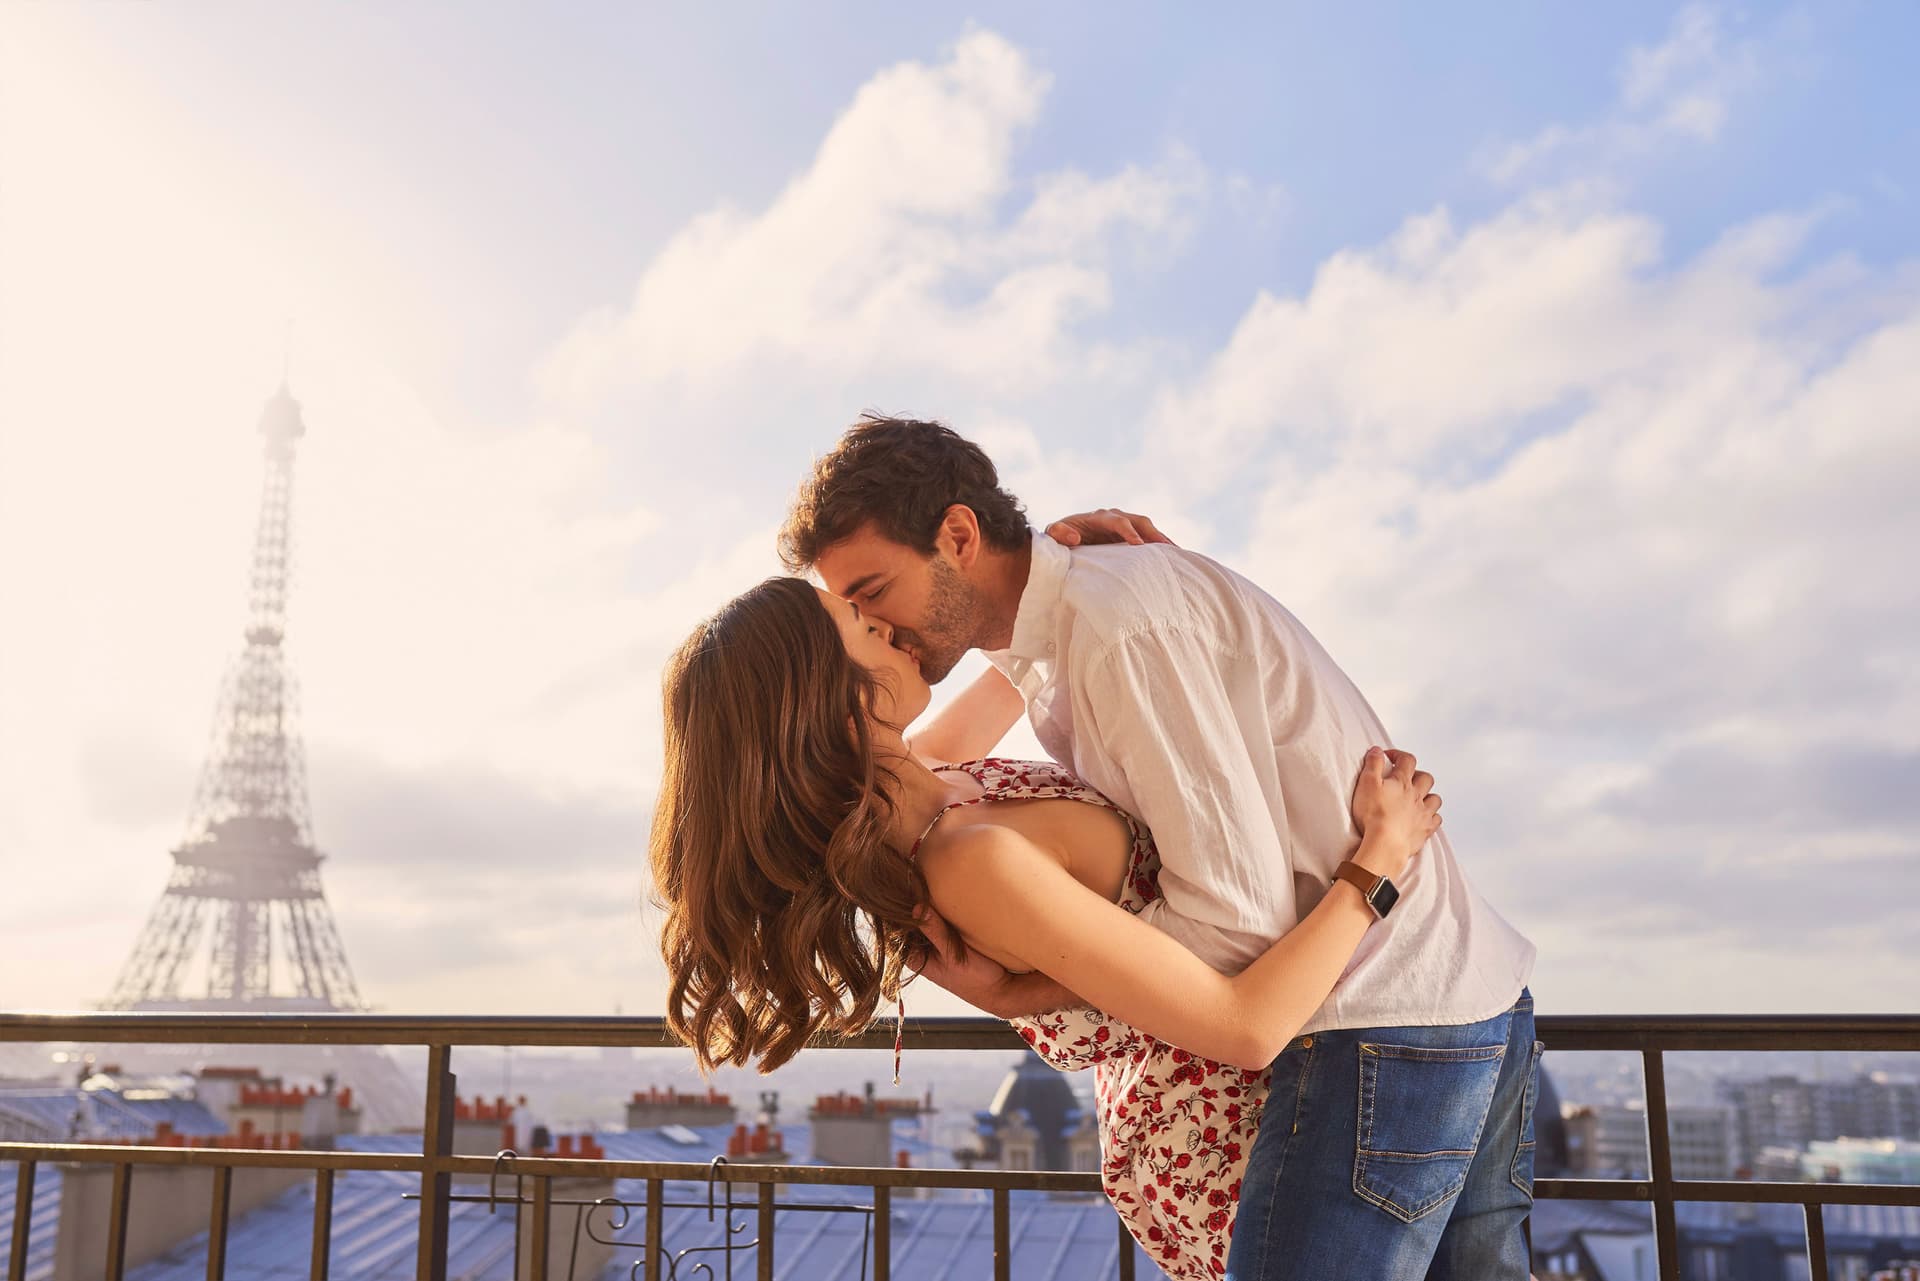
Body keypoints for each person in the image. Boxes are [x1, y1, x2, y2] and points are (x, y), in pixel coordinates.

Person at [777, 416, 1539, 1280]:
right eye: (857, 614)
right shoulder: (1056, 646)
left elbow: (1232, 933)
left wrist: (1028, 985)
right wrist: (1047, 562)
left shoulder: (1113, 629)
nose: (879, 625)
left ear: (958, 535)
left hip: (1373, 1016)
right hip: (1427, 991)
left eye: (872, 592)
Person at [650, 571, 1440, 1278]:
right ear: (842, 699)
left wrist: (1062, 553)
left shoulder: (926, 779)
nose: (887, 626)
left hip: (1264, 1110)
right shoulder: (966, 859)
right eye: (862, 626)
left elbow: (1019, 653)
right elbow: (1246, 1025)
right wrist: (1379, 860)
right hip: (1230, 1136)